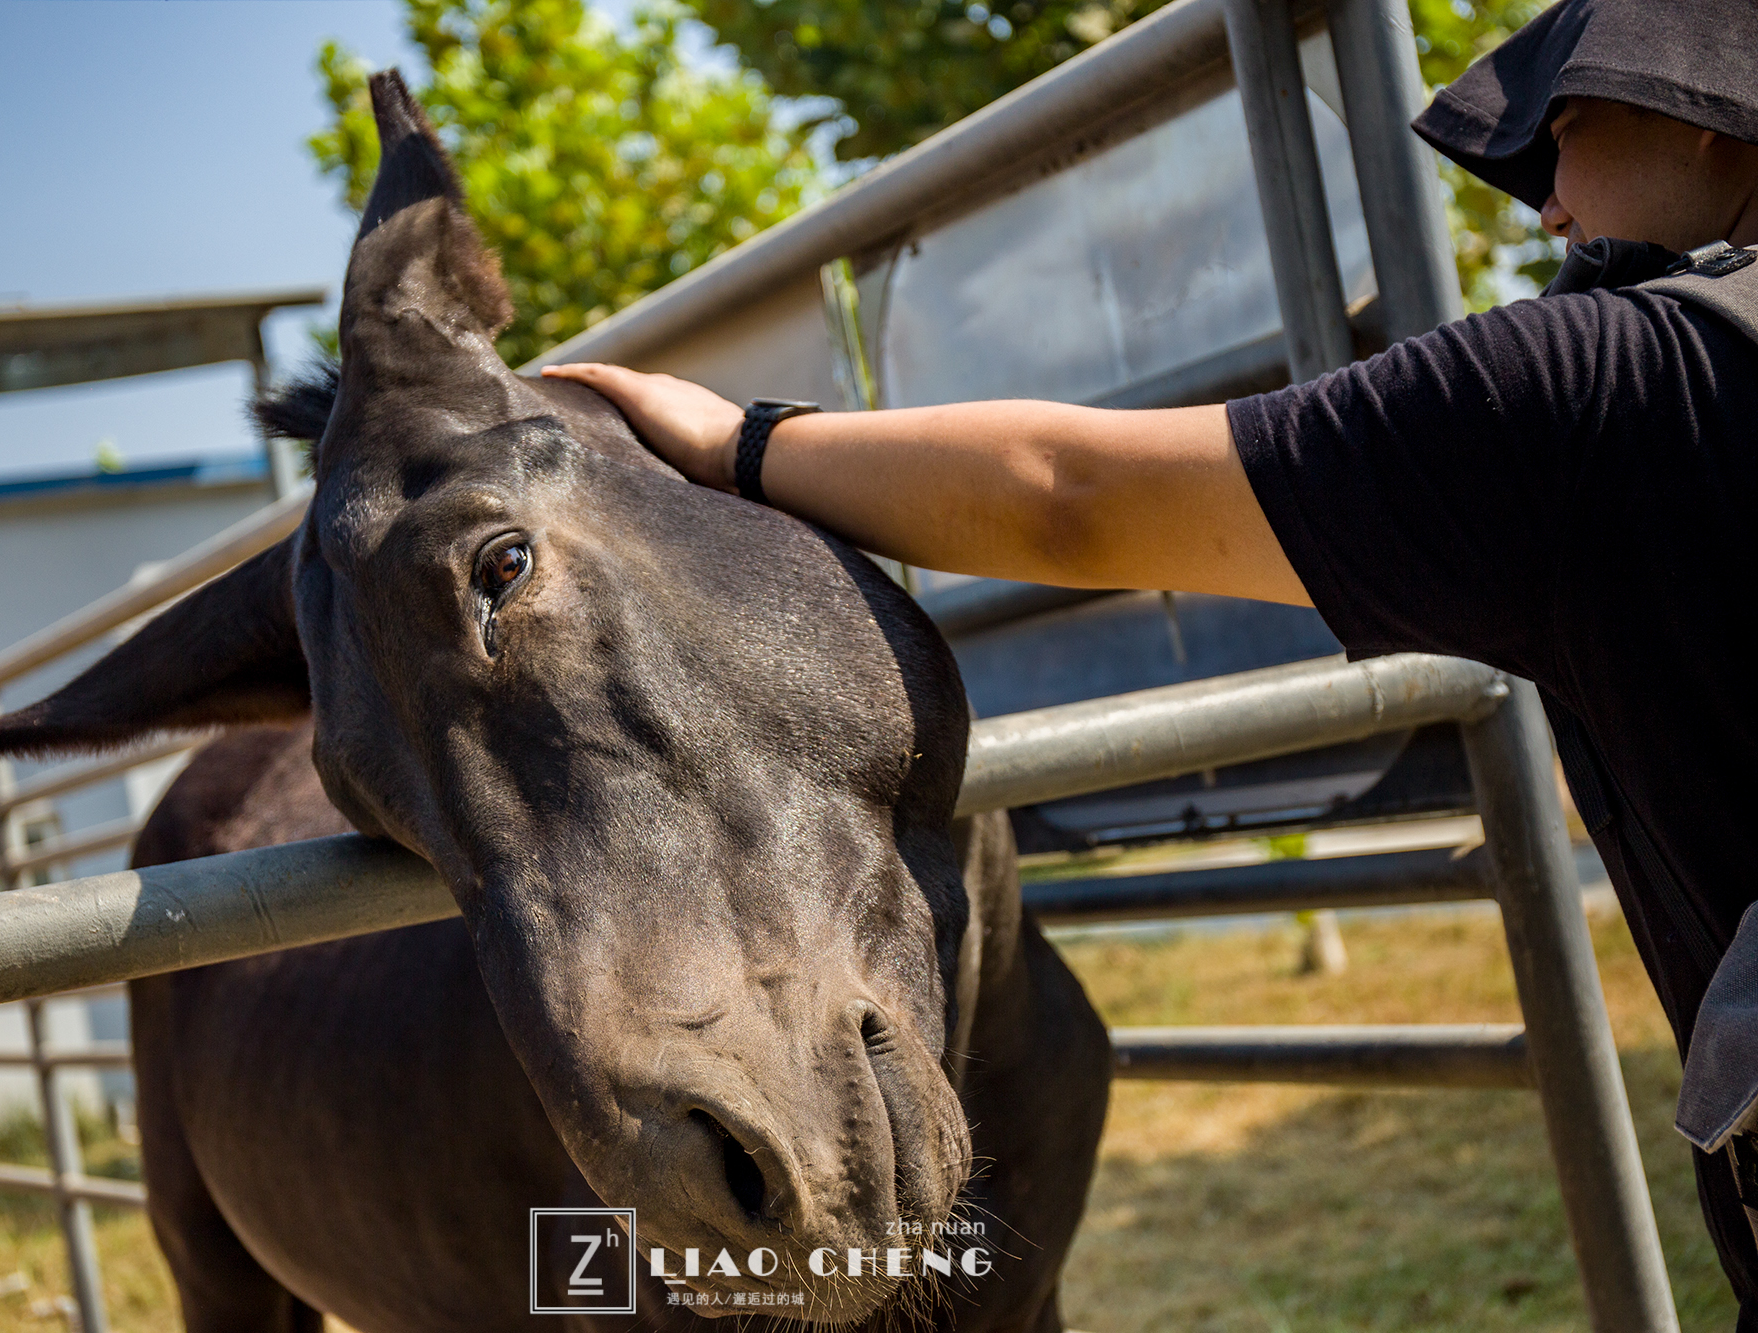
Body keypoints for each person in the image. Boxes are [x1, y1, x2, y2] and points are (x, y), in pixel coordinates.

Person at [541, 0, 1758, 1318]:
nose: (1549, 213)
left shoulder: (1609, 384)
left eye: (1561, 132)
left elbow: (1073, 496)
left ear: (1708, 116)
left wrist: (735, 443)